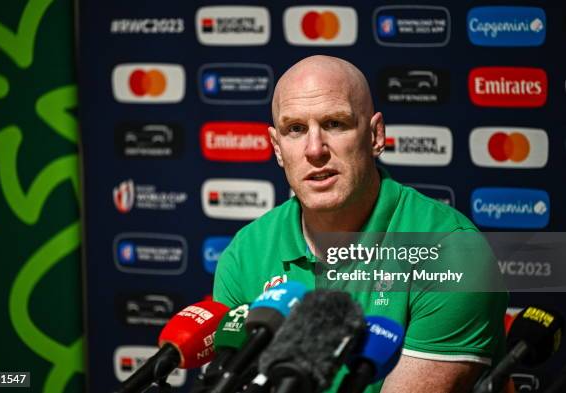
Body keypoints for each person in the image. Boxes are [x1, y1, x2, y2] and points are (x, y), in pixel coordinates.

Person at [213, 55, 507, 393]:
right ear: (277, 148)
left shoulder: (453, 252)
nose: (314, 149)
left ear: (376, 135)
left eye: (335, 124)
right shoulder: (244, 254)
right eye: (295, 129)